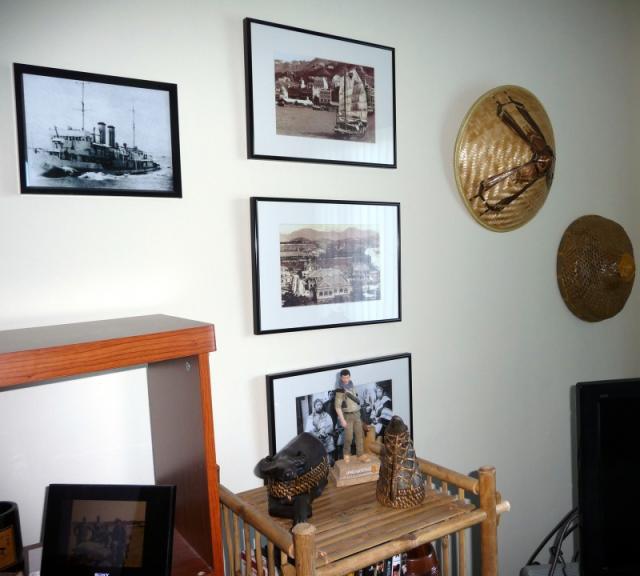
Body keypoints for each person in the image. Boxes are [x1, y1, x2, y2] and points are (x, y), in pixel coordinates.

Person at [334, 369, 369, 463]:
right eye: (344, 378)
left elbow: (356, 399)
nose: (345, 379)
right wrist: (342, 420)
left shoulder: (352, 386)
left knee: (359, 435)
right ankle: (346, 454)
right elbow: (337, 407)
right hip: (348, 416)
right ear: (341, 378)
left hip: (357, 414)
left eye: (347, 377)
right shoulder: (340, 390)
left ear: (349, 377)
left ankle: (360, 454)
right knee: (348, 437)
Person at [304, 398, 336, 464]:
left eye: (320, 405)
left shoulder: (327, 415)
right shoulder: (310, 417)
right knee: (318, 460)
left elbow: (330, 426)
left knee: (329, 459)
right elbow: (308, 430)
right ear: (314, 406)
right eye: (317, 405)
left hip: (327, 439)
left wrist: (325, 432)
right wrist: (317, 434)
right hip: (317, 440)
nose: (319, 406)